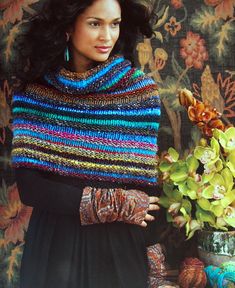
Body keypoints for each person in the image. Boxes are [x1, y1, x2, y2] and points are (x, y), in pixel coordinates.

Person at [11, 0, 163, 287]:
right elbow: (30, 189)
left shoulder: (140, 93)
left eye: (114, 24)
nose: (107, 36)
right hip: (54, 248)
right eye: (95, 23)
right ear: (68, 25)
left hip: (120, 250)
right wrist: (112, 202)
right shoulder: (34, 94)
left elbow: (147, 190)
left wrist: (154, 267)